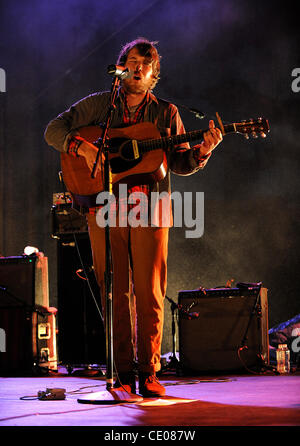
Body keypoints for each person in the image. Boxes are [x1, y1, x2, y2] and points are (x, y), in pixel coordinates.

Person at [44, 37, 222, 397]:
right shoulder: (99, 106)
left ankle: (149, 371)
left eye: (146, 63)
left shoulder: (166, 113)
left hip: (150, 208)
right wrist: (83, 145)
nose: (138, 67)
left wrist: (202, 152)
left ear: (154, 73)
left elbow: (180, 162)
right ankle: (122, 371)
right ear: (121, 67)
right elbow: (54, 129)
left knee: (148, 292)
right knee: (113, 291)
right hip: (104, 206)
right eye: (132, 60)